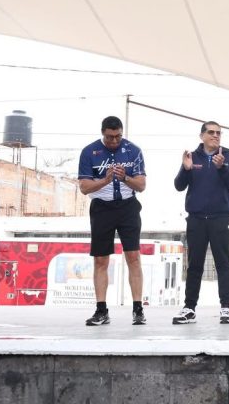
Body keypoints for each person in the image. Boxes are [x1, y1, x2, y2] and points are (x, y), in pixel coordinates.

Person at [78, 116, 147, 326]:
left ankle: (137, 310)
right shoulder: (89, 152)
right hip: (102, 208)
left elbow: (141, 185)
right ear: (102, 133)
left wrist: (124, 177)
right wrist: (105, 180)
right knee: (100, 260)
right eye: (110, 137)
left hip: (127, 206)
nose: (114, 141)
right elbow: (84, 187)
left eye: (118, 136)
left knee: (133, 256)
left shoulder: (133, 150)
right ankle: (101, 310)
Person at [172, 121, 229, 324]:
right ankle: (189, 307)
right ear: (201, 136)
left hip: (220, 217)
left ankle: (226, 307)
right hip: (196, 219)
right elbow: (178, 185)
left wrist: (222, 167)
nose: (216, 136)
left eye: (219, 133)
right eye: (211, 132)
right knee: (194, 265)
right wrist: (185, 169)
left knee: (223, 263)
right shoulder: (192, 157)